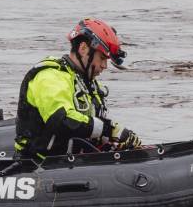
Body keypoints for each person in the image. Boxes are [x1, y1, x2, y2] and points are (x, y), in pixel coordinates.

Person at [15, 18, 141, 160]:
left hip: (74, 161)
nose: (105, 66)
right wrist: (109, 130)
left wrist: (114, 141)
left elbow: (90, 126)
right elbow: (63, 121)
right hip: (39, 163)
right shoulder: (50, 77)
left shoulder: (89, 83)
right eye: (102, 58)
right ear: (83, 49)